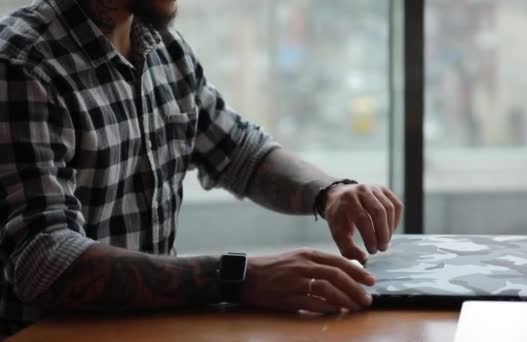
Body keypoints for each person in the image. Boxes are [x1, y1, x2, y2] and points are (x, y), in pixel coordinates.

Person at [0, 0, 403, 335]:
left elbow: (240, 151)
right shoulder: (23, 64)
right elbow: (46, 263)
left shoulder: (165, 50)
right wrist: (241, 277)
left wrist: (330, 193)